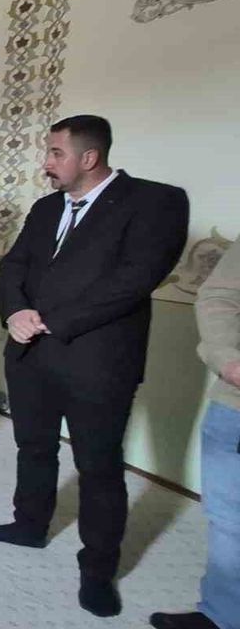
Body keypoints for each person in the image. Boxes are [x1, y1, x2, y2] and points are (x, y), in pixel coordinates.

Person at [0, 115, 189, 618]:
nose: (46, 163)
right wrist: (15, 312)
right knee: (33, 449)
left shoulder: (157, 201)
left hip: (97, 362)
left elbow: (134, 281)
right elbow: (14, 265)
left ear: (89, 157)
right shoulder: (46, 208)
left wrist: (49, 321)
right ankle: (28, 526)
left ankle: (98, 571)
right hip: (30, 355)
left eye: (55, 153)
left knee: (99, 468)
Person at [149, 238, 240, 629]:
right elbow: (219, 297)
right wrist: (230, 362)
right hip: (237, 403)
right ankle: (224, 616)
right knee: (229, 518)